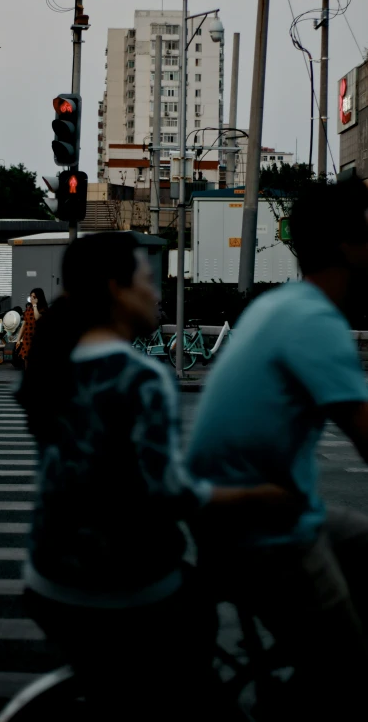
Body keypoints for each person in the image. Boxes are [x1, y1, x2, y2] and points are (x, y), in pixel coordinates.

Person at [17, 232, 298, 718]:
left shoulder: (53, 365)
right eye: (148, 280)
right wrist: (257, 496)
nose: (157, 293)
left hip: (47, 580)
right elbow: (167, 493)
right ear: (115, 288)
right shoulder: (141, 376)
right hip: (122, 586)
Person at [186, 176, 368, 716]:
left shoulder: (281, 305)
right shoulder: (316, 323)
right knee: (349, 673)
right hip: (264, 529)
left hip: (240, 509)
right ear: (348, 245)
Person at [16, 288, 47, 368]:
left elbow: (37, 318)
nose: (32, 299)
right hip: (27, 339)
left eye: (34, 297)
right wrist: (18, 339)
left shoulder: (42, 308)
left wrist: (35, 305)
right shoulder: (28, 309)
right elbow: (24, 325)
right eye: (31, 296)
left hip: (37, 339)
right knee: (26, 359)